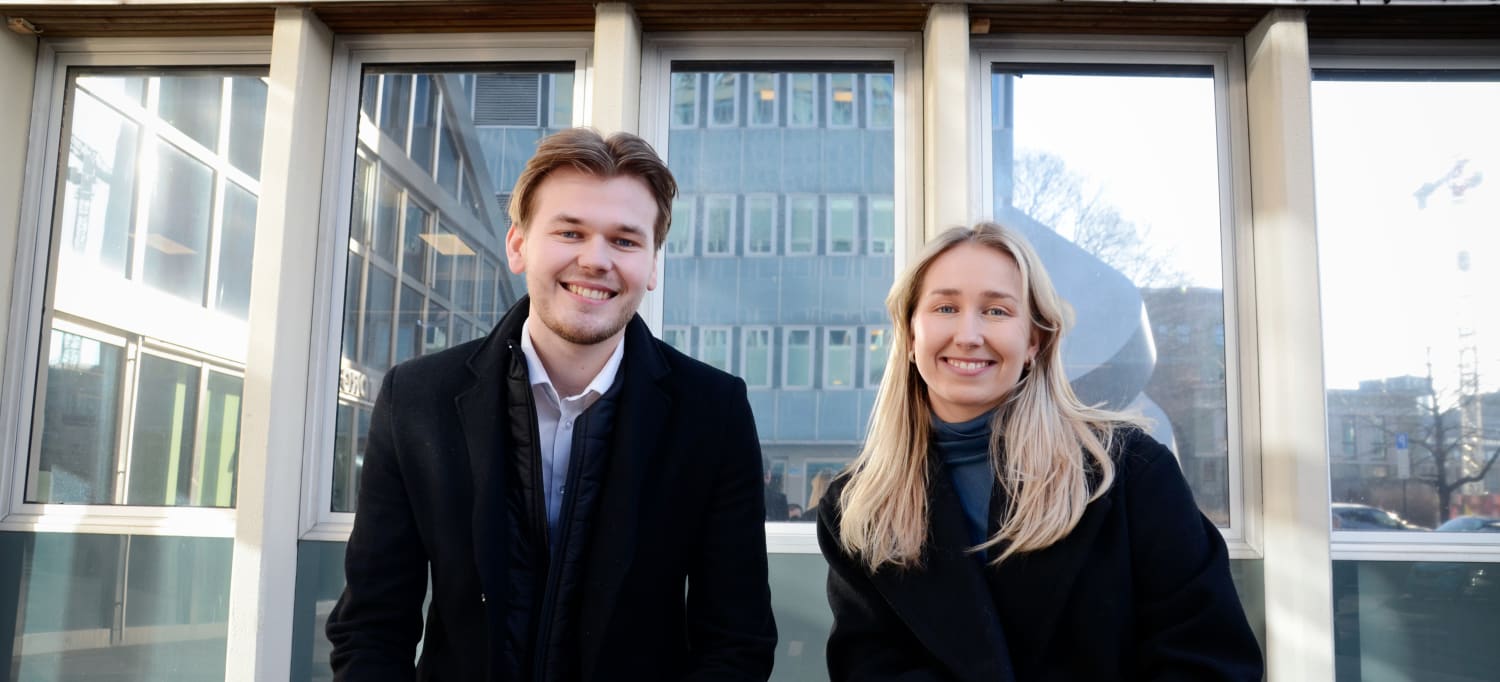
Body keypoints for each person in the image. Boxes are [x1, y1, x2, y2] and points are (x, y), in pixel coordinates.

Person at [327, 128, 777, 680]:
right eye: (570, 231)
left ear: (654, 265)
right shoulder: (418, 399)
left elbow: (736, 641)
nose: (596, 259)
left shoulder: (713, 413)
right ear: (518, 245)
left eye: (626, 240)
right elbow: (372, 626)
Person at [816, 222, 1263, 681]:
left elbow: (1210, 661)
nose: (968, 335)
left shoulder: (1131, 472)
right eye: (946, 307)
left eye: (996, 311)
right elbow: (869, 670)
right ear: (910, 336)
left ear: (1034, 341)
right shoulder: (857, 507)